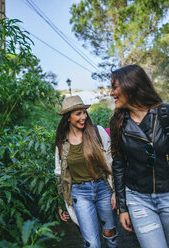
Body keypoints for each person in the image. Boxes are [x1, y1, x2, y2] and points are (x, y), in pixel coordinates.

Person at [109, 64, 169, 248]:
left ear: (130, 85)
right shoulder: (117, 122)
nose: (111, 93)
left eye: (115, 87)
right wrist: (123, 209)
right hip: (137, 199)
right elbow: (119, 165)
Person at [54, 95, 118, 248]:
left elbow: (112, 161)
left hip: (103, 189)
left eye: (84, 112)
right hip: (79, 193)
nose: (83, 117)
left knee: (110, 234)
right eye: (78, 114)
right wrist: (61, 203)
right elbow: (59, 174)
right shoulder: (62, 143)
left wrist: (116, 191)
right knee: (92, 243)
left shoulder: (97, 132)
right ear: (68, 118)